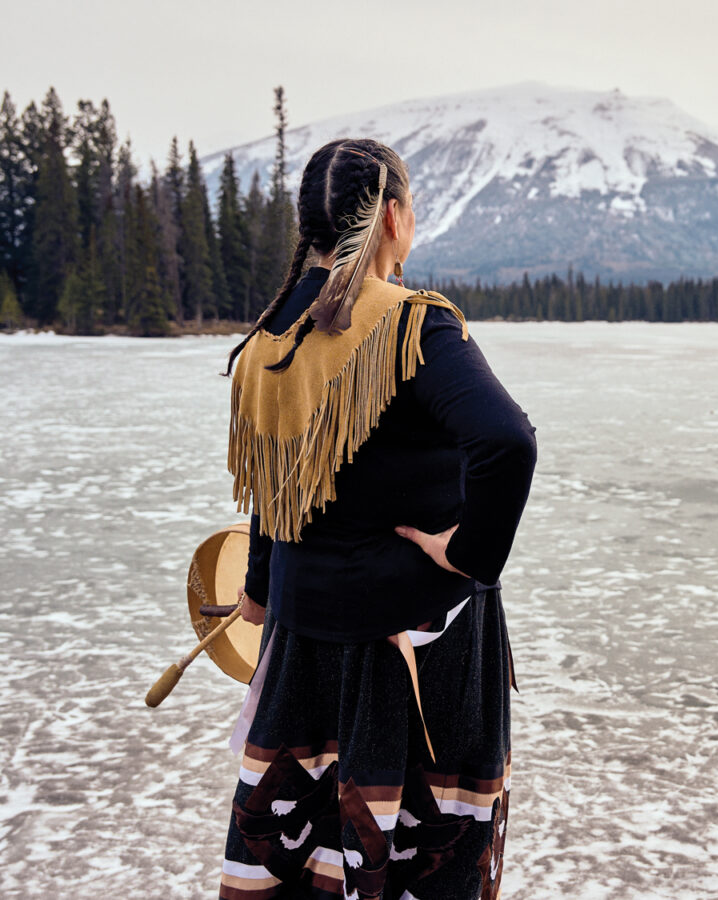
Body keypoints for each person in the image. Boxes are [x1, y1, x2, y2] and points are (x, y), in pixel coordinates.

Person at [217, 137, 537, 900]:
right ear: (392, 216)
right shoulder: (412, 324)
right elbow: (506, 442)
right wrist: (469, 555)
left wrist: (261, 591)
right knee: (416, 864)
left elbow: (274, 478)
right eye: (412, 204)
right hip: (414, 654)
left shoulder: (271, 333)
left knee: (310, 855)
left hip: (302, 648)